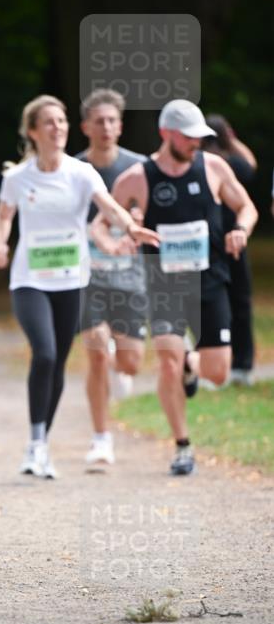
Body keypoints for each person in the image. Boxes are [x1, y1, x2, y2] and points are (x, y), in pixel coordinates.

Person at [0, 95, 158, 478]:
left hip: (71, 280)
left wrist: (130, 227)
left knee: (60, 360)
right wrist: (1, 243)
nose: (58, 128)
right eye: (49, 122)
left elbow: (109, 206)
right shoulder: (18, 177)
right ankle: (35, 443)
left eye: (62, 121)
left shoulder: (80, 173)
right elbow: (3, 216)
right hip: (30, 281)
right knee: (45, 354)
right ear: (33, 131)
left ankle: (41, 445)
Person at [108, 99, 258, 476]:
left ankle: (194, 364)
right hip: (163, 286)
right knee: (167, 362)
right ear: (166, 134)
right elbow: (106, 216)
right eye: (190, 137)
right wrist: (122, 236)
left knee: (218, 372)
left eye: (200, 137)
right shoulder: (139, 177)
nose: (196, 143)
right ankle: (182, 445)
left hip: (210, 282)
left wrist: (241, 229)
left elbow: (247, 207)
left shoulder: (214, 167)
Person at [75, 89, 148, 470]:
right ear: (86, 126)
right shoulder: (72, 169)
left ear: (120, 126)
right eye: (98, 121)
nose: (105, 127)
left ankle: (123, 362)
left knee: (132, 363)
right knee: (95, 349)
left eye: (112, 120)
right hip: (87, 276)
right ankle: (101, 439)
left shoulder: (139, 168)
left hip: (129, 276)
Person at [201, 115, 258, 386]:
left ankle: (231, 363)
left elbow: (250, 167)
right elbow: (251, 163)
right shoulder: (218, 163)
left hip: (226, 241)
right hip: (226, 243)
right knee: (235, 303)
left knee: (227, 301)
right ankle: (238, 365)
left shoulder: (215, 165)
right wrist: (232, 139)